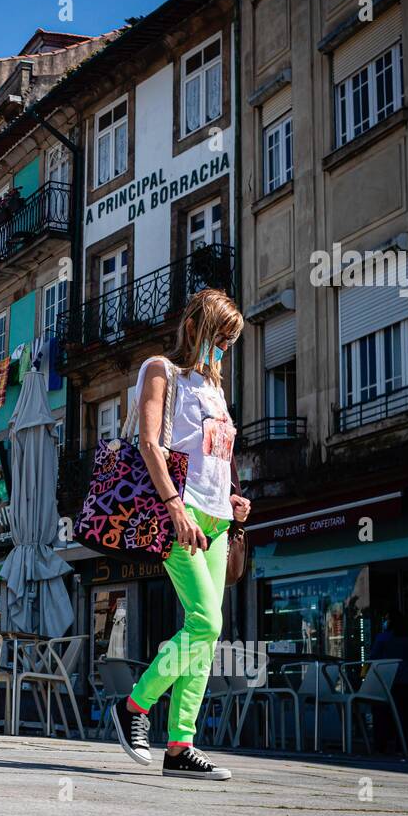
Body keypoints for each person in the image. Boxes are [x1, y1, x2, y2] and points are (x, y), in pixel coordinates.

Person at [109, 288, 249, 780]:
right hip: (180, 515)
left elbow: (215, 457)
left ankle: (180, 747)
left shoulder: (216, 392)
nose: (224, 349)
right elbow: (150, 444)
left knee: (205, 637)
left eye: (231, 342)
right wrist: (174, 507)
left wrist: (234, 497)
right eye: (220, 338)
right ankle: (134, 706)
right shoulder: (160, 371)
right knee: (206, 622)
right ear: (195, 328)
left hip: (217, 519)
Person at [368, 609, 408, 754]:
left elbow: (373, 657)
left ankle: (381, 745)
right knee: (405, 715)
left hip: (388, 681)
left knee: (383, 714)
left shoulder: (383, 638)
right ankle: (404, 744)